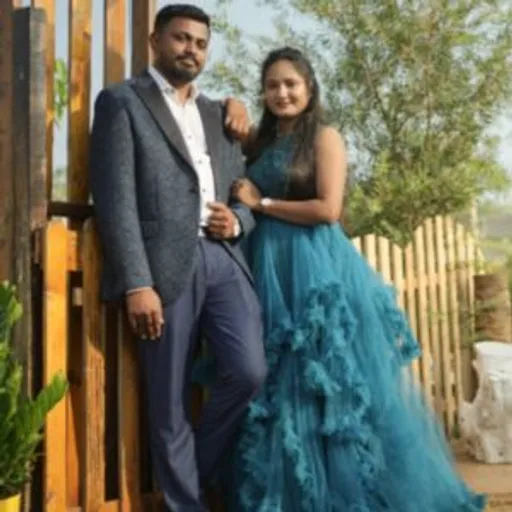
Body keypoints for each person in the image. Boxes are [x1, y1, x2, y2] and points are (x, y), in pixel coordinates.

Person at [227, 46, 486, 511]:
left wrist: (260, 204)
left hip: (315, 268)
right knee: (278, 381)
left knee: (324, 380)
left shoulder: (324, 138)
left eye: (291, 84)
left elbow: (328, 209)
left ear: (309, 88)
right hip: (269, 269)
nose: (282, 93)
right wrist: (230, 103)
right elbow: (211, 120)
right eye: (272, 85)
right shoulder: (261, 142)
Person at [89, 4, 267, 511]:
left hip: (223, 259)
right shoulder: (122, 102)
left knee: (250, 372)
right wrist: (136, 282)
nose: (191, 49)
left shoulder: (219, 114)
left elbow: (243, 189)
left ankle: (192, 473)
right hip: (162, 267)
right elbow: (115, 199)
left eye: (201, 43)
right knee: (168, 402)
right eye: (181, 38)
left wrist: (239, 220)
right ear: (156, 41)